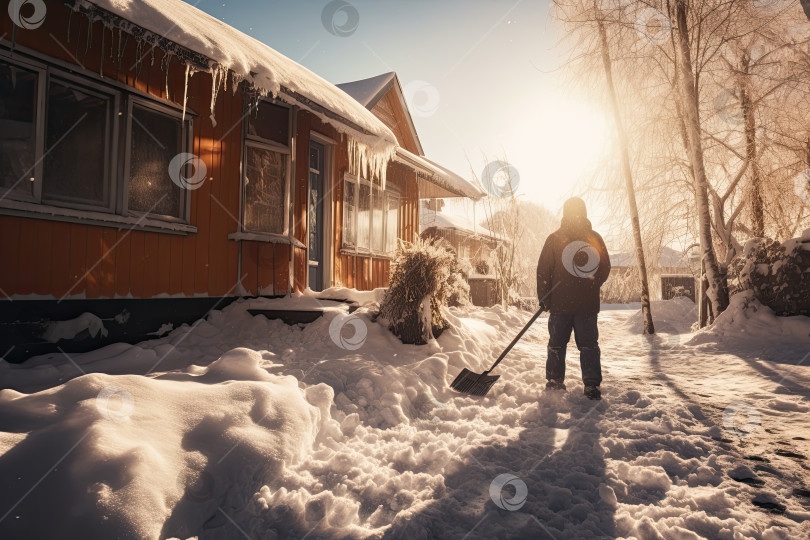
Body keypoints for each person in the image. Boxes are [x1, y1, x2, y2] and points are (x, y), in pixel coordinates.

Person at [536, 197, 611, 400]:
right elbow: (605, 269)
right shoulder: (593, 237)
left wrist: (544, 296)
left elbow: (544, 270)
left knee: (557, 344)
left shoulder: (555, 238)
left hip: (561, 304)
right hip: (585, 305)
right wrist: (591, 284)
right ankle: (591, 386)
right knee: (588, 345)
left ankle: (554, 381)